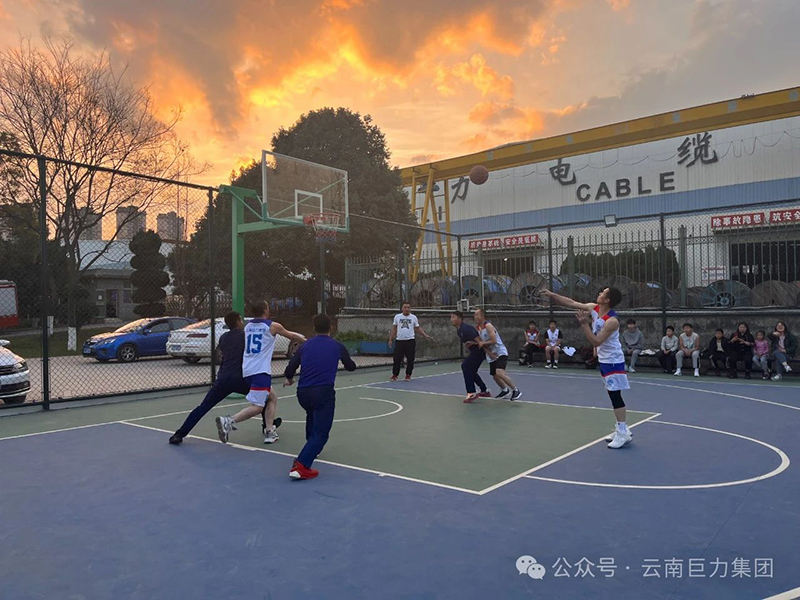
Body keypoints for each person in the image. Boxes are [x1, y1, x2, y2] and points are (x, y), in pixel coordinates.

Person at [168, 312, 280, 444]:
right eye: (241, 320)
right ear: (238, 321)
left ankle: (179, 434)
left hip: (223, 378)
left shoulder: (224, 338)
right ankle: (267, 427)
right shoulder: (245, 336)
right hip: (241, 379)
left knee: (203, 407)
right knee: (264, 398)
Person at [543, 288, 633, 449]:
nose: (599, 293)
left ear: (607, 300)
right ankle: (622, 428)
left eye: (603, 293)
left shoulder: (612, 321)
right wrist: (552, 295)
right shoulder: (594, 308)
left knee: (615, 396)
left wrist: (584, 325)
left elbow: (596, 341)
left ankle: (622, 432)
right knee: (612, 394)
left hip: (613, 360)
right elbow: (571, 303)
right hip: (605, 360)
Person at [215, 301, 306, 444]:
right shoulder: (272, 326)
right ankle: (228, 421)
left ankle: (270, 431)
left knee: (272, 397)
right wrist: (306, 341)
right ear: (265, 310)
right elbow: (291, 336)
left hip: (248, 369)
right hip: (260, 371)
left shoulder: (248, 326)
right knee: (258, 407)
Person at [283, 314, 357, 480]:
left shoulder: (305, 345)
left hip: (303, 392)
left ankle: (311, 447)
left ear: (314, 328)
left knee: (311, 413)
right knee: (322, 433)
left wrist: (289, 378)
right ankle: (301, 465)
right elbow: (350, 366)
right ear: (331, 327)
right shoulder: (337, 346)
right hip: (323, 391)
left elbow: (291, 366)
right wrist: (349, 362)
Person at [474, 308, 521, 400]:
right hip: (491, 354)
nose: (475, 317)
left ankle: (516, 390)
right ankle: (505, 390)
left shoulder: (488, 326)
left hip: (500, 352)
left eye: (477, 315)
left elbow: (494, 340)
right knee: (495, 376)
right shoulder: (478, 329)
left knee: (499, 372)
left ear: (483, 316)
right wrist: (490, 353)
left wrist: (483, 343)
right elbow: (482, 345)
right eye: (474, 315)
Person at [450, 311, 492, 403]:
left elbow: (480, 341)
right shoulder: (459, 331)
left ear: (459, 319)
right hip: (475, 351)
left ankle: (471, 392)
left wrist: (489, 353)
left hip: (479, 351)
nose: (451, 319)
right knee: (471, 371)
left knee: (465, 366)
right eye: (451, 317)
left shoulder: (466, 329)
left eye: (453, 317)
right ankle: (484, 390)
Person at [389, 302, 433, 381]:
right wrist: (390, 339)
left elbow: (417, 328)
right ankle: (395, 375)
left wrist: (425, 335)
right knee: (397, 359)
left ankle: (408, 374)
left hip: (410, 341)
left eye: (408, 307)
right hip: (399, 341)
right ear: (402, 308)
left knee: (410, 359)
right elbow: (394, 329)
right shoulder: (397, 317)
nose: (407, 309)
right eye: (405, 307)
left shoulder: (413, 317)